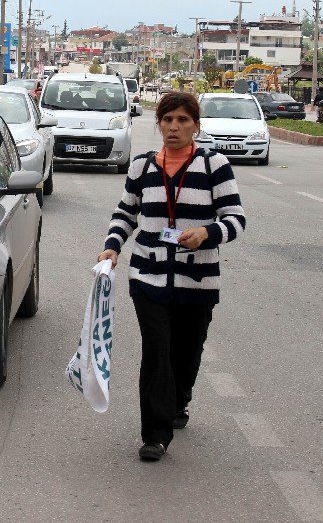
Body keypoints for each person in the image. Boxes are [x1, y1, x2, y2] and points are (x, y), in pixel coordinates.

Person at [97, 91, 246, 462]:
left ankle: (179, 400)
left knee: (187, 351)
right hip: (148, 278)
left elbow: (235, 219)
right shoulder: (143, 167)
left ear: (196, 125)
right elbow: (126, 213)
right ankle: (155, 434)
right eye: (167, 120)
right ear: (158, 124)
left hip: (198, 280)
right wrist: (112, 246)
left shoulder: (215, 166)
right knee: (157, 352)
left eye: (182, 120)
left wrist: (207, 233)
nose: (174, 127)